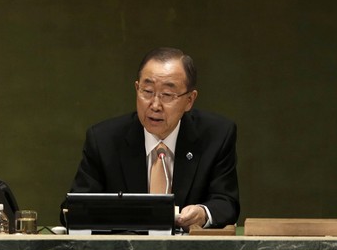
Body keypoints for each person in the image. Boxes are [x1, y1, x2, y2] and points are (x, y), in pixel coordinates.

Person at [63, 47, 239, 230]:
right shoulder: (104, 140)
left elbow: (227, 203)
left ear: (189, 100)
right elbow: (73, 209)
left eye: (167, 95)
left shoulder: (216, 135)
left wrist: (203, 213)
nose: (155, 105)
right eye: (147, 91)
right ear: (136, 88)